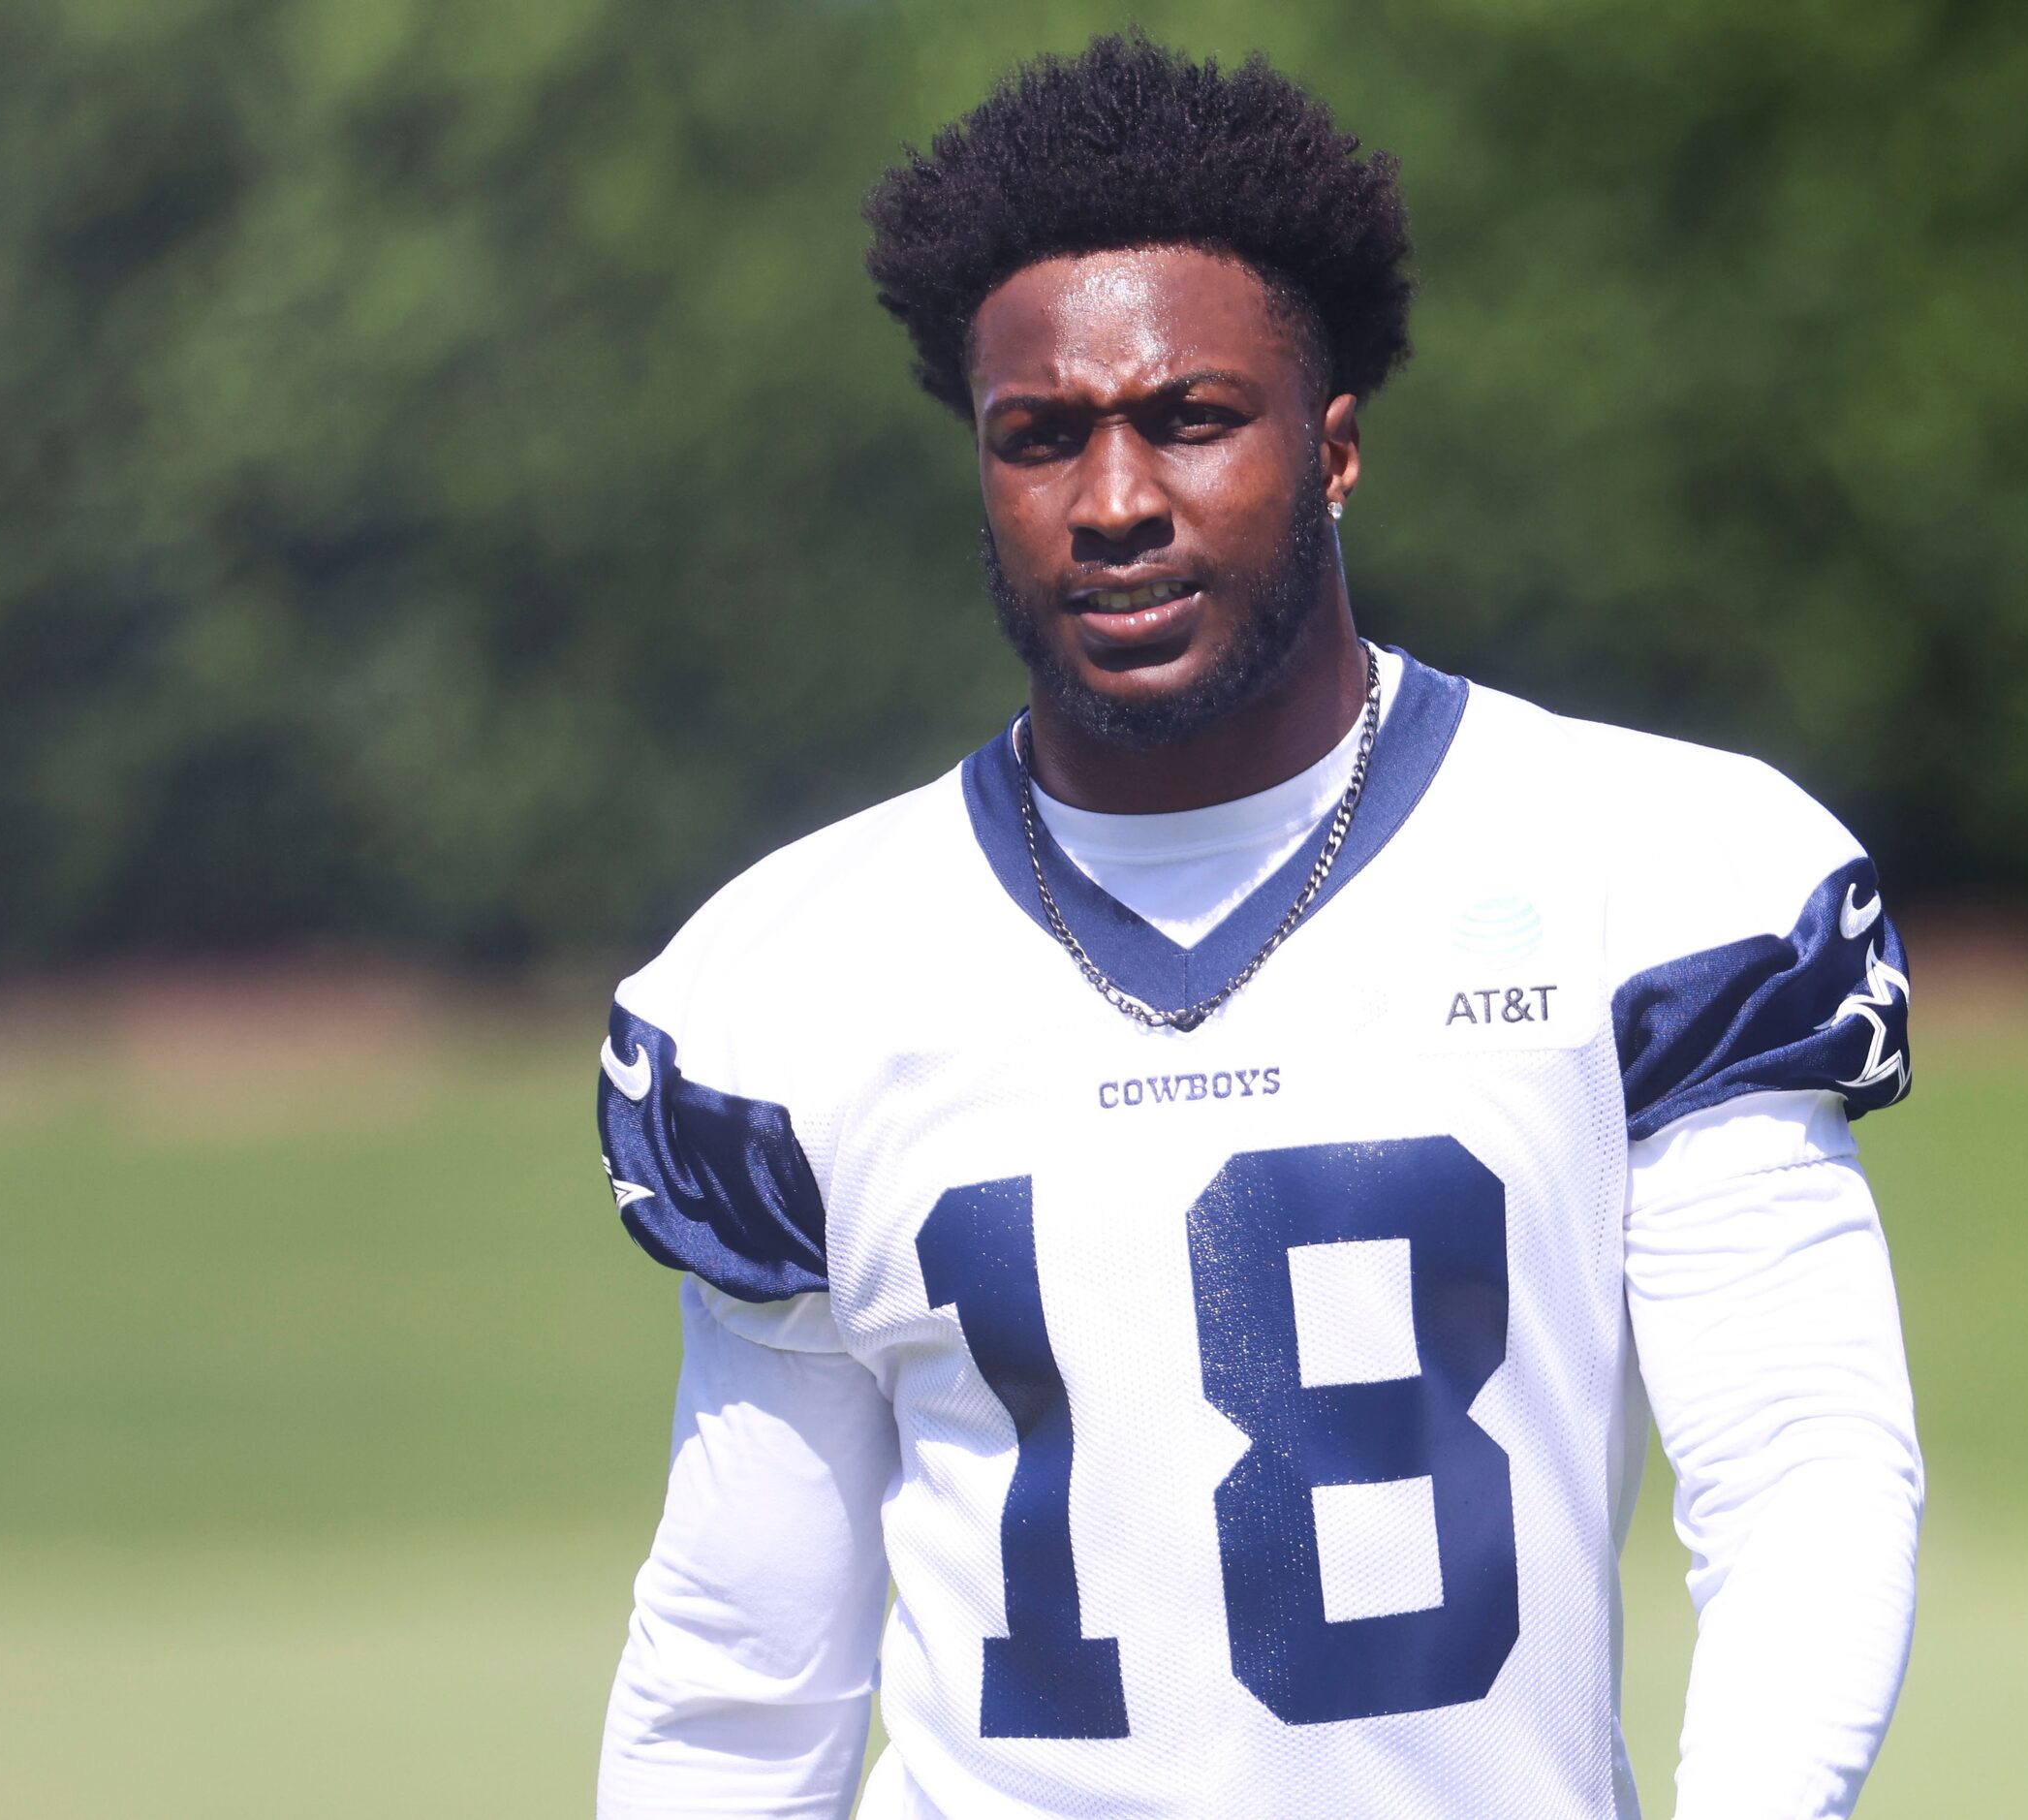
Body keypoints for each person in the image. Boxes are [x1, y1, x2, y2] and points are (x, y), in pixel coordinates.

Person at [591, 36, 1921, 1820]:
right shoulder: (796, 975)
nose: (1116, 499)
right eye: (1039, 437)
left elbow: (1797, 1472)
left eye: (1189, 418)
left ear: (1336, 447)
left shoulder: (1644, 866)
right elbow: (745, 1664)